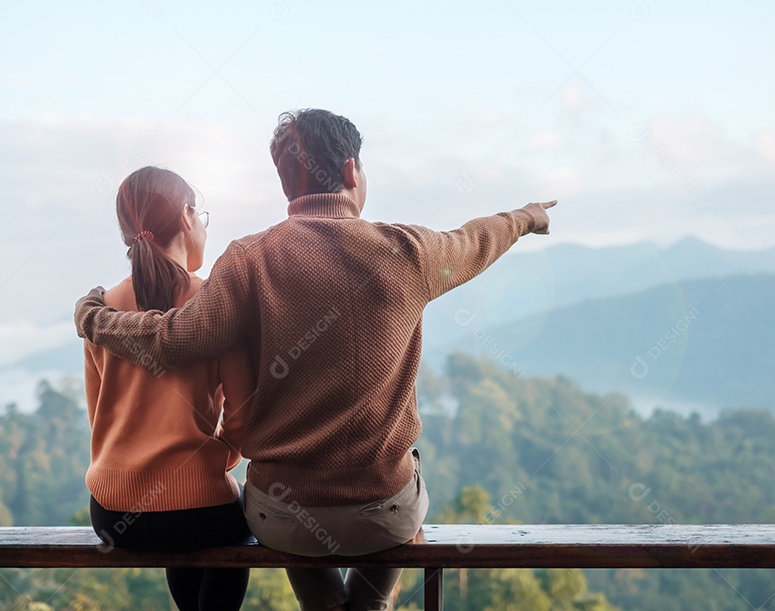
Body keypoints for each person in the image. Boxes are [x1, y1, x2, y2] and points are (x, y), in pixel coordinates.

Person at [75, 109, 556, 611]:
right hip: (383, 510)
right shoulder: (407, 252)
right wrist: (524, 218)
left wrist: (94, 318)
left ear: (285, 181)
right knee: (399, 498)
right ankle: (371, 603)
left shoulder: (247, 259)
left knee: (316, 590)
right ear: (351, 171)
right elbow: (475, 239)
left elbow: (176, 338)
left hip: (283, 514)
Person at [84, 166, 254, 611]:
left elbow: (99, 418)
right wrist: (213, 462)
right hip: (199, 512)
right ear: (185, 216)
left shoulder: (100, 312)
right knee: (230, 524)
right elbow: (244, 418)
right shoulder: (215, 304)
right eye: (201, 216)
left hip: (112, 511)